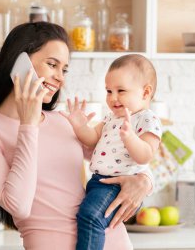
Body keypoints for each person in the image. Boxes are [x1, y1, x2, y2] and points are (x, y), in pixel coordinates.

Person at [0, 22, 154, 250]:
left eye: (64, 70)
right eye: (52, 64)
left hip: (113, 241)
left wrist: (145, 181)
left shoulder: (63, 120)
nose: (60, 78)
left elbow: (120, 156)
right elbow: (19, 205)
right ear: (19, 63)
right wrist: (28, 124)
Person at [61, 54, 162, 250]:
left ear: (145, 92)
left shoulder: (147, 119)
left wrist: (130, 138)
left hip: (118, 186)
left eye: (121, 91)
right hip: (97, 182)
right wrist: (80, 126)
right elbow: (91, 138)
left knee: (90, 217)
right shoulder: (110, 118)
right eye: (109, 91)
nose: (112, 98)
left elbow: (146, 155)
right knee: (88, 218)